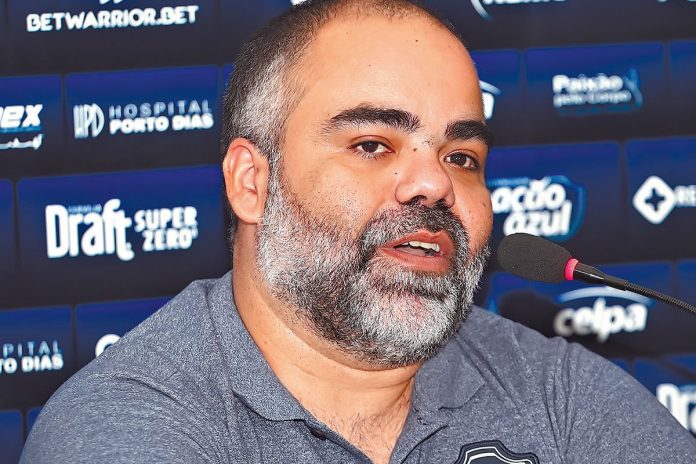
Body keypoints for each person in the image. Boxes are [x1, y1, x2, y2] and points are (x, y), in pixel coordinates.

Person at [21, 0, 696, 463]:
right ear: (252, 183)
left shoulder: (555, 392)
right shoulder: (128, 424)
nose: (433, 183)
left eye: (462, 157)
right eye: (373, 144)